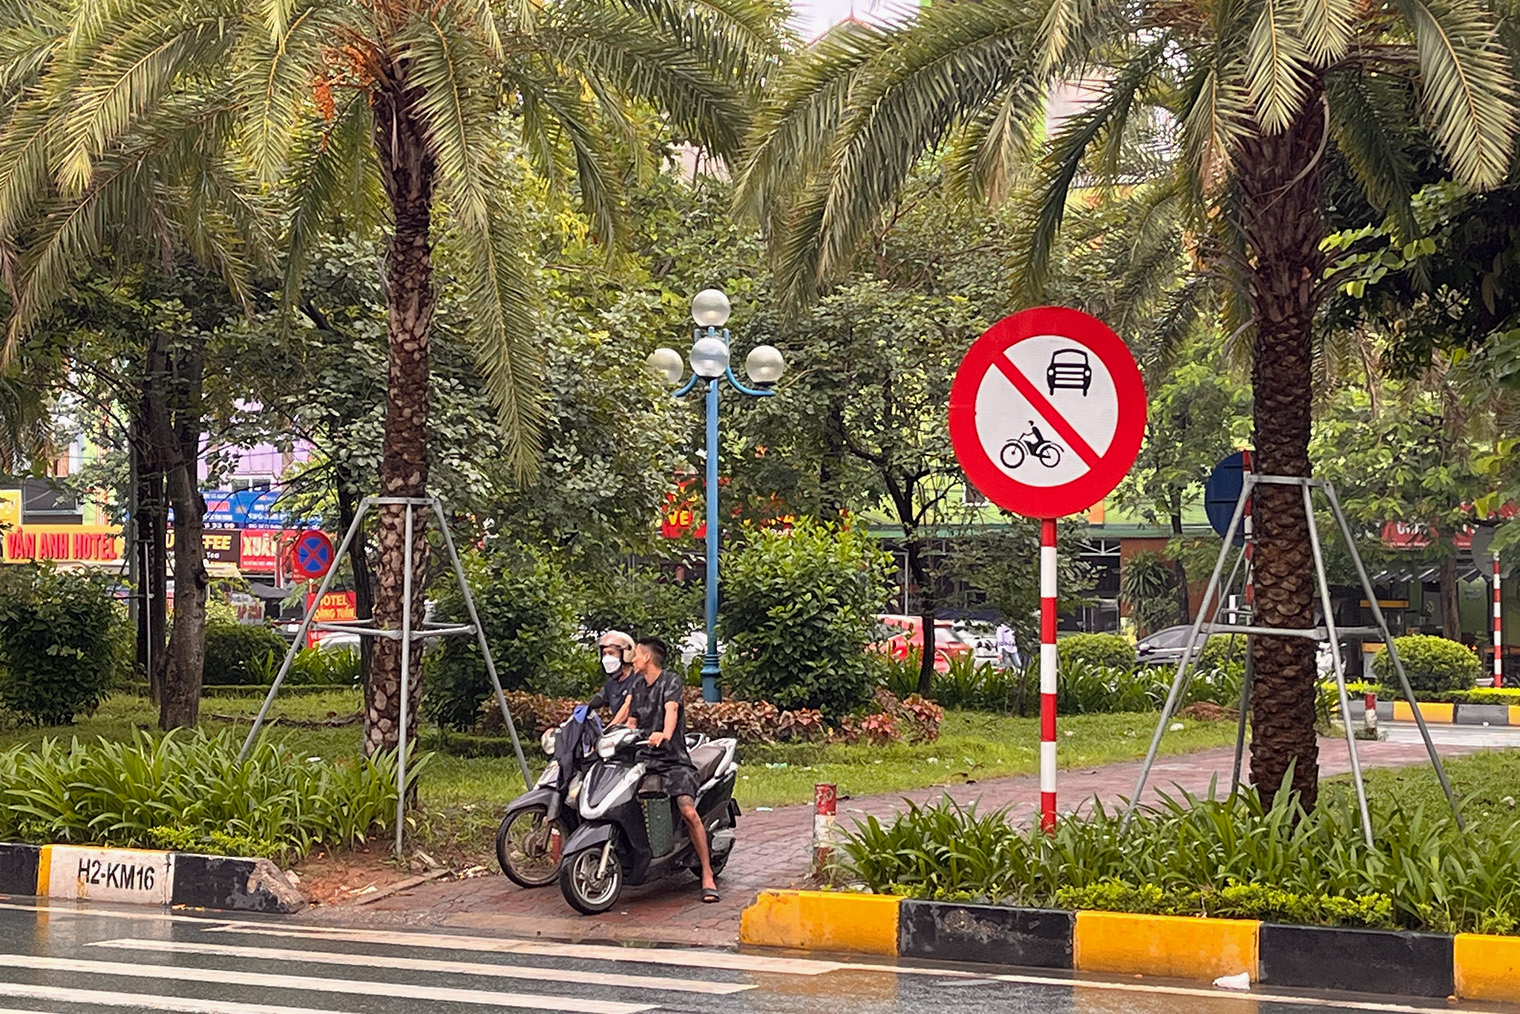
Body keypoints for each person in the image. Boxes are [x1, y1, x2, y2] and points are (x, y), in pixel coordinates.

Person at [612, 636, 719, 903]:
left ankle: (706, 874)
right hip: (643, 759)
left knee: (687, 808)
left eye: (635, 654)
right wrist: (611, 734)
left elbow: (671, 711)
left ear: (647, 657)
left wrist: (665, 734)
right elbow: (632, 722)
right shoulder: (637, 684)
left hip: (673, 760)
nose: (631, 659)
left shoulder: (670, 681)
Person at [593, 630, 637, 715]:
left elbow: (626, 711)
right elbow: (600, 699)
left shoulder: (638, 680)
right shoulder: (611, 683)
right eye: (604, 654)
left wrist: (610, 727)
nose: (607, 657)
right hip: (618, 727)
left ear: (626, 654)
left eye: (611, 653)